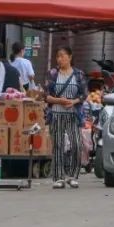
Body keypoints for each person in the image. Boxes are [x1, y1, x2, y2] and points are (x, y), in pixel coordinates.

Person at [44, 46, 88, 189]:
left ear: (70, 57)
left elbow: (84, 94)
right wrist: (60, 101)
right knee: (58, 145)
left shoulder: (78, 74)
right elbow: (46, 96)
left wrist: (74, 102)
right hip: (56, 114)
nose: (60, 59)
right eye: (58, 56)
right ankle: (58, 177)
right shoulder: (52, 74)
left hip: (73, 114)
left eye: (62, 56)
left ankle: (73, 176)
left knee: (76, 144)